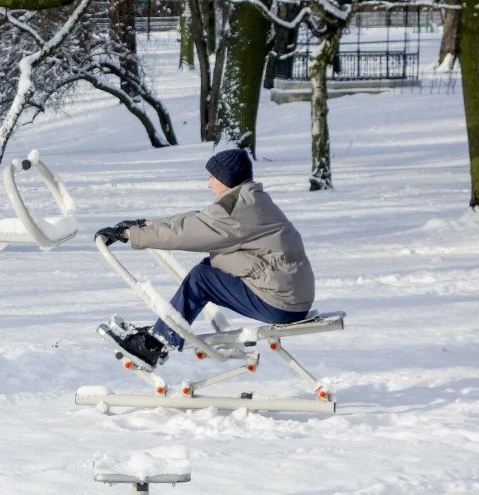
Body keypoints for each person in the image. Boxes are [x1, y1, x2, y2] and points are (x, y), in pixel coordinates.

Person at [95, 148, 315, 368]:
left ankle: (154, 345)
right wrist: (145, 224)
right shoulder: (249, 200)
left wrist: (130, 234)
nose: (208, 184)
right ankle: (162, 333)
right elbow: (197, 220)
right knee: (209, 267)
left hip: (281, 303)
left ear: (226, 179)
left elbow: (185, 233)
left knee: (202, 278)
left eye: (212, 177)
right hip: (289, 296)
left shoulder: (235, 210)